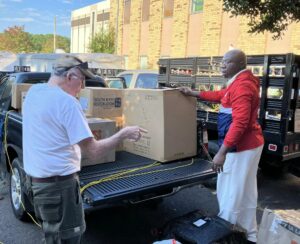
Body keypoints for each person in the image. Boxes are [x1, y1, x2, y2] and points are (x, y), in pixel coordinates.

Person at [23, 55, 145, 243]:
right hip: (59, 189)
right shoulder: (68, 103)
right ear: (70, 76)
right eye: (82, 80)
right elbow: (93, 151)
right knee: (67, 238)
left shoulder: (34, 92)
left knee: (52, 236)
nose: (83, 87)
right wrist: (123, 134)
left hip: (38, 186)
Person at [179, 49, 264, 244]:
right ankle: (250, 236)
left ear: (240, 65)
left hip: (240, 148)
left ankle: (224, 236)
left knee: (229, 194)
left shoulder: (242, 86)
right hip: (250, 145)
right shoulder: (240, 82)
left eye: (227, 62)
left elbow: (240, 122)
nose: (222, 65)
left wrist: (222, 152)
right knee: (247, 193)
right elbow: (220, 95)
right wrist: (193, 93)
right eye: (222, 62)